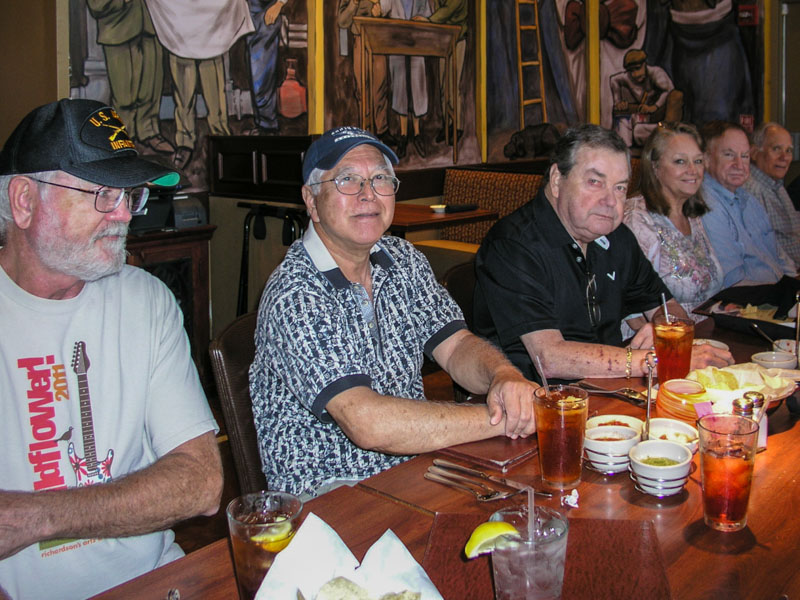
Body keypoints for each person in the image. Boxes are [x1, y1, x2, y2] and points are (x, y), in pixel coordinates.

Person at [0, 99, 223, 599]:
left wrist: (36, 517)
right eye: (102, 193)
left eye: (130, 195)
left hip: (160, 582)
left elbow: (202, 482)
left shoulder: (144, 299)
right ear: (24, 201)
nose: (125, 214)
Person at [249, 126, 538, 497]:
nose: (368, 194)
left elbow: (456, 346)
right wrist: (501, 418)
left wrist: (503, 377)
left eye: (380, 178)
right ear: (310, 199)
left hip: (413, 471)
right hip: (330, 502)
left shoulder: (401, 258)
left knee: (529, 511)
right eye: (348, 180)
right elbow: (366, 423)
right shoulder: (295, 293)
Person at [473, 124, 732, 383]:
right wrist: (655, 359)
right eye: (595, 182)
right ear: (556, 180)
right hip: (535, 405)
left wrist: (667, 332)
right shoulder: (513, 245)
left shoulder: (616, 238)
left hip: (609, 389)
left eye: (620, 187)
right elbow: (549, 359)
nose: (610, 201)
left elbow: (668, 307)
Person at [623, 122, 723, 323]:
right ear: (655, 166)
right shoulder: (637, 219)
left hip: (703, 335)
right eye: (680, 161)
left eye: (698, 161)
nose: (693, 170)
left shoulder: (691, 215)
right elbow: (628, 309)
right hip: (660, 342)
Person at [699, 121, 796, 288]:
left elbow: (779, 256)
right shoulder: (707, 205)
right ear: (706, 159)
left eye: (744, 156)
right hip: (751, 303)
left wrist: (794, 287)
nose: (739, 164)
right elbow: (734, 282)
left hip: (778, 293)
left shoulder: (747, 198)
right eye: (729, 155)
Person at [743, 122, 800, 265]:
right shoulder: (751, 190)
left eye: (788, 151)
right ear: (754, 153)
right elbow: (766, 251)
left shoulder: (775, 184)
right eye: (776, 149)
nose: (784, 157)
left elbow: (791, 232)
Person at [609, 48, 683, 147]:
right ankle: (661, 134)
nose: (635, 74)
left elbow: (668, 91)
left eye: (638, 68)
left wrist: (654, 107)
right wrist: (618, 101)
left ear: (644, 64)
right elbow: (614, 80)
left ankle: (668, 133)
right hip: (646, 117)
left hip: (661, 112)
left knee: (676, 96)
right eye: (631, 71)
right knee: (636, 130)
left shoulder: (656, 73)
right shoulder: (626, 77)